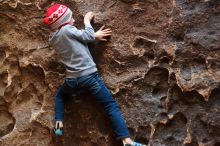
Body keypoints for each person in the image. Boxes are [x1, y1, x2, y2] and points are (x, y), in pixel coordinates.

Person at [43, 4, 146, 146]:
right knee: (110, 105)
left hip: (72, 80)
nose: (73, 20)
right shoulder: (67, 29)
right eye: (71, 17)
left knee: (61, 95)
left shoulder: (53, 39)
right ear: (64, 22)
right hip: (89, 78)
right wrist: (87, 23)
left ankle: (59, 124)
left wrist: (93, 36)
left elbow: (75, 42)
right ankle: (126, 140)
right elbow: (88, 36)